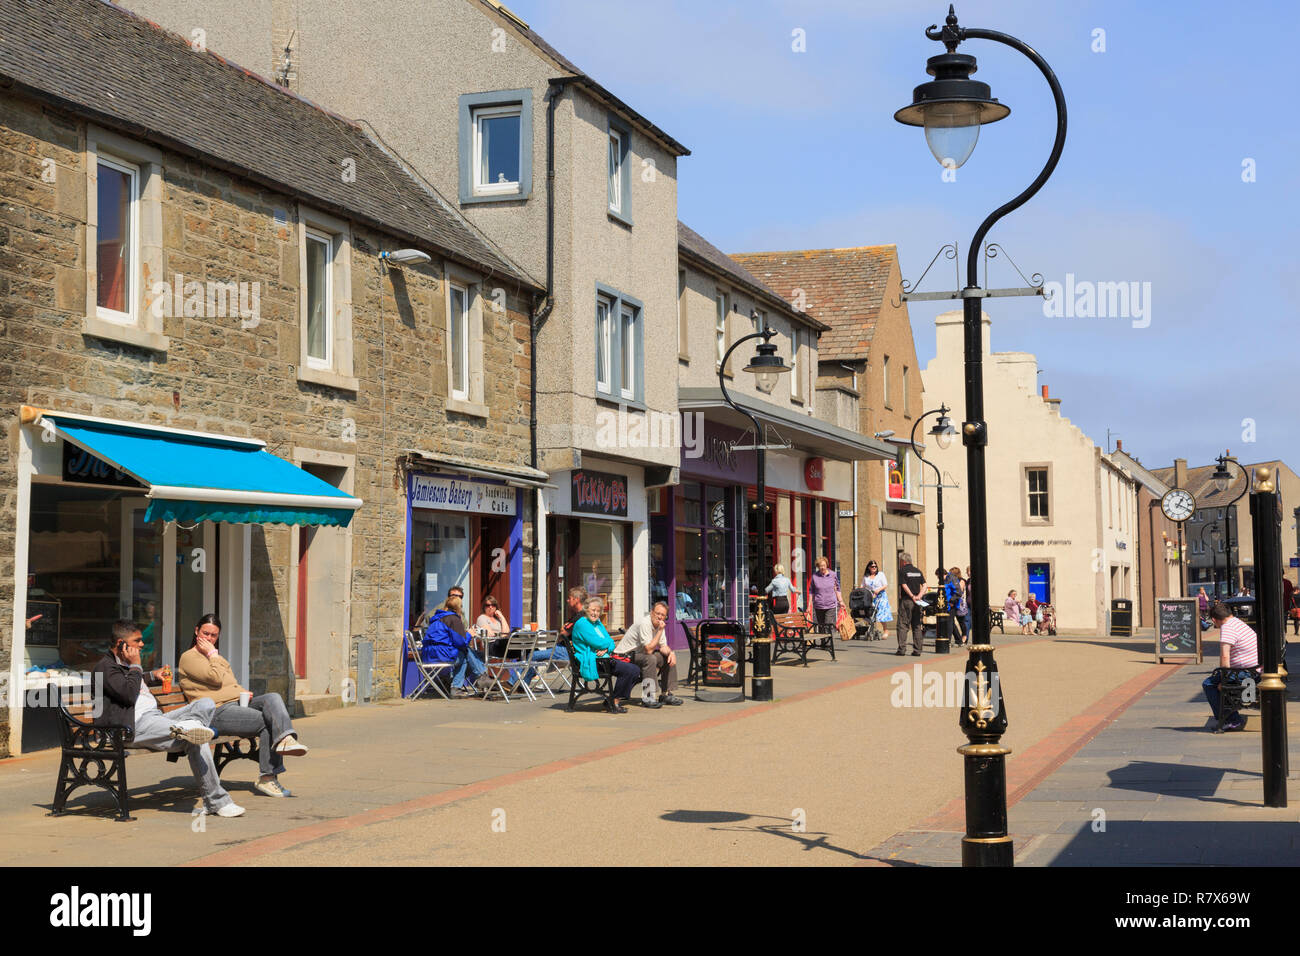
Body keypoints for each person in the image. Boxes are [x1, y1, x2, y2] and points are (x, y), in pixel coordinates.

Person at [94, 619, 244, 818]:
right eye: (137, 641)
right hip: (132, 726)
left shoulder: (123, 666)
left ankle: (190, 726)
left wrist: (150, 675)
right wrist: (137, 665)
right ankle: (216, 802)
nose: (142, 644)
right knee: (195, 740)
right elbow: (128, 694)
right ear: (121, 643)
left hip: (155, 718)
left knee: (205, 703)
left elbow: (130, 681)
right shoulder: (105, 668)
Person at [177, 613, 307, 798]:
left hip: (235, 704)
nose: (209, 639)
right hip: (216, 711)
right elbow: (214, 679)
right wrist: (213, 654)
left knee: (273, 697)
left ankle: (286, 739)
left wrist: (241, 691)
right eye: (205, 633)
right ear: (197, 631)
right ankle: (268, 778)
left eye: (213, 635)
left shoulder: (216, 657)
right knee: (266, 721)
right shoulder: (189, 657)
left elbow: (229, 682)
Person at [571, 596, 640, 713]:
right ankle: (613, 701)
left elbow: (611, 643)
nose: (595, 613)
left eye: (598, 611)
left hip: (603, 659)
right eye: (593, 610)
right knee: (630, 670)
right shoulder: (582, 623)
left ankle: (612, 700)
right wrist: (606, 645)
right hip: (590, 661)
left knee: (635, 670)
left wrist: (606, 648)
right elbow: (597, 642)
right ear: (586, 609)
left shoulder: (598, 623)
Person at [1202, 601, 1259, 731]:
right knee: (1217, 681)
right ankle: (1230, 716)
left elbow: (1224, 657)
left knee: (1209, 684)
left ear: (1214, 620)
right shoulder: (1237, 622)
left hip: (1246, 673)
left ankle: (1232, 720)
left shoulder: (1227, 628)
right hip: (1254, 669)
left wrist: (1224, 680)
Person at [615, 601, 682, 707]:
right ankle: (648, 696)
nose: (659, 617)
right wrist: (660, 631)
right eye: (657, 613)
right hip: (625, 656)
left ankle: (666, 694)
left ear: (665, 617)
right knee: (650, 659)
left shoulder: (660, 626)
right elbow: (648, 650)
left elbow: (663, 646)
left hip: (639, 654)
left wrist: (671, 653)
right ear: (651, 612)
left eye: (662, 615)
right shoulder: (645, 623)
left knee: (667, 657)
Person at [422, 592, 482, 698]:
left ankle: (451, 681)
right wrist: (469, 634)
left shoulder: (436, 619)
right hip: (442, 656)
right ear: (459, 607)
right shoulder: (453, 619)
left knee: (470, 654)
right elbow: (461, 643)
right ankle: (462, 683)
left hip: (427, 656)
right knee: (465, 653)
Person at [896, 553, 925, 656]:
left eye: (900, 561)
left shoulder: (902, 571)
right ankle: (917, 650)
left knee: (903, 625)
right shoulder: (918, 571)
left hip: (907, 600)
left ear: (903, 561)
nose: (899, 563)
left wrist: (912, 596)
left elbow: (904, 585)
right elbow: (925, 585)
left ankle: (902, 649)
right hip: (918, 601)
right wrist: (919, 596)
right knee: (916, 625)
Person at [808, 556, 842, 629]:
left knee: (827, 627)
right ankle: (823, 641)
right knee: (821, 628)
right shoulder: (815, 576)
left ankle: (828, 640)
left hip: (830, 605)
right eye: (820, 566)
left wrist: (841, 601)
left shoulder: (833, 575)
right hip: (818, 606)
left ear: (827, 565)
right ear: (818, 567)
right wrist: (809, 605)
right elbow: (811, 591)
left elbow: (838, 589)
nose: (822, 567)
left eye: (824, 565)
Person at [862, 561, 892, 636]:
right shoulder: (866, 576)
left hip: (880, 595)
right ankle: (871, 629)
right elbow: (862, 586)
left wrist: (878, 590)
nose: (874, 568)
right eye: (872, 566)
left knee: (881, 613)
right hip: (870, 597)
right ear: (869, 567)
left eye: (875, 566)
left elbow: (885, 585)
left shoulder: (880, 574)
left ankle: (885, 630)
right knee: (870, 613)